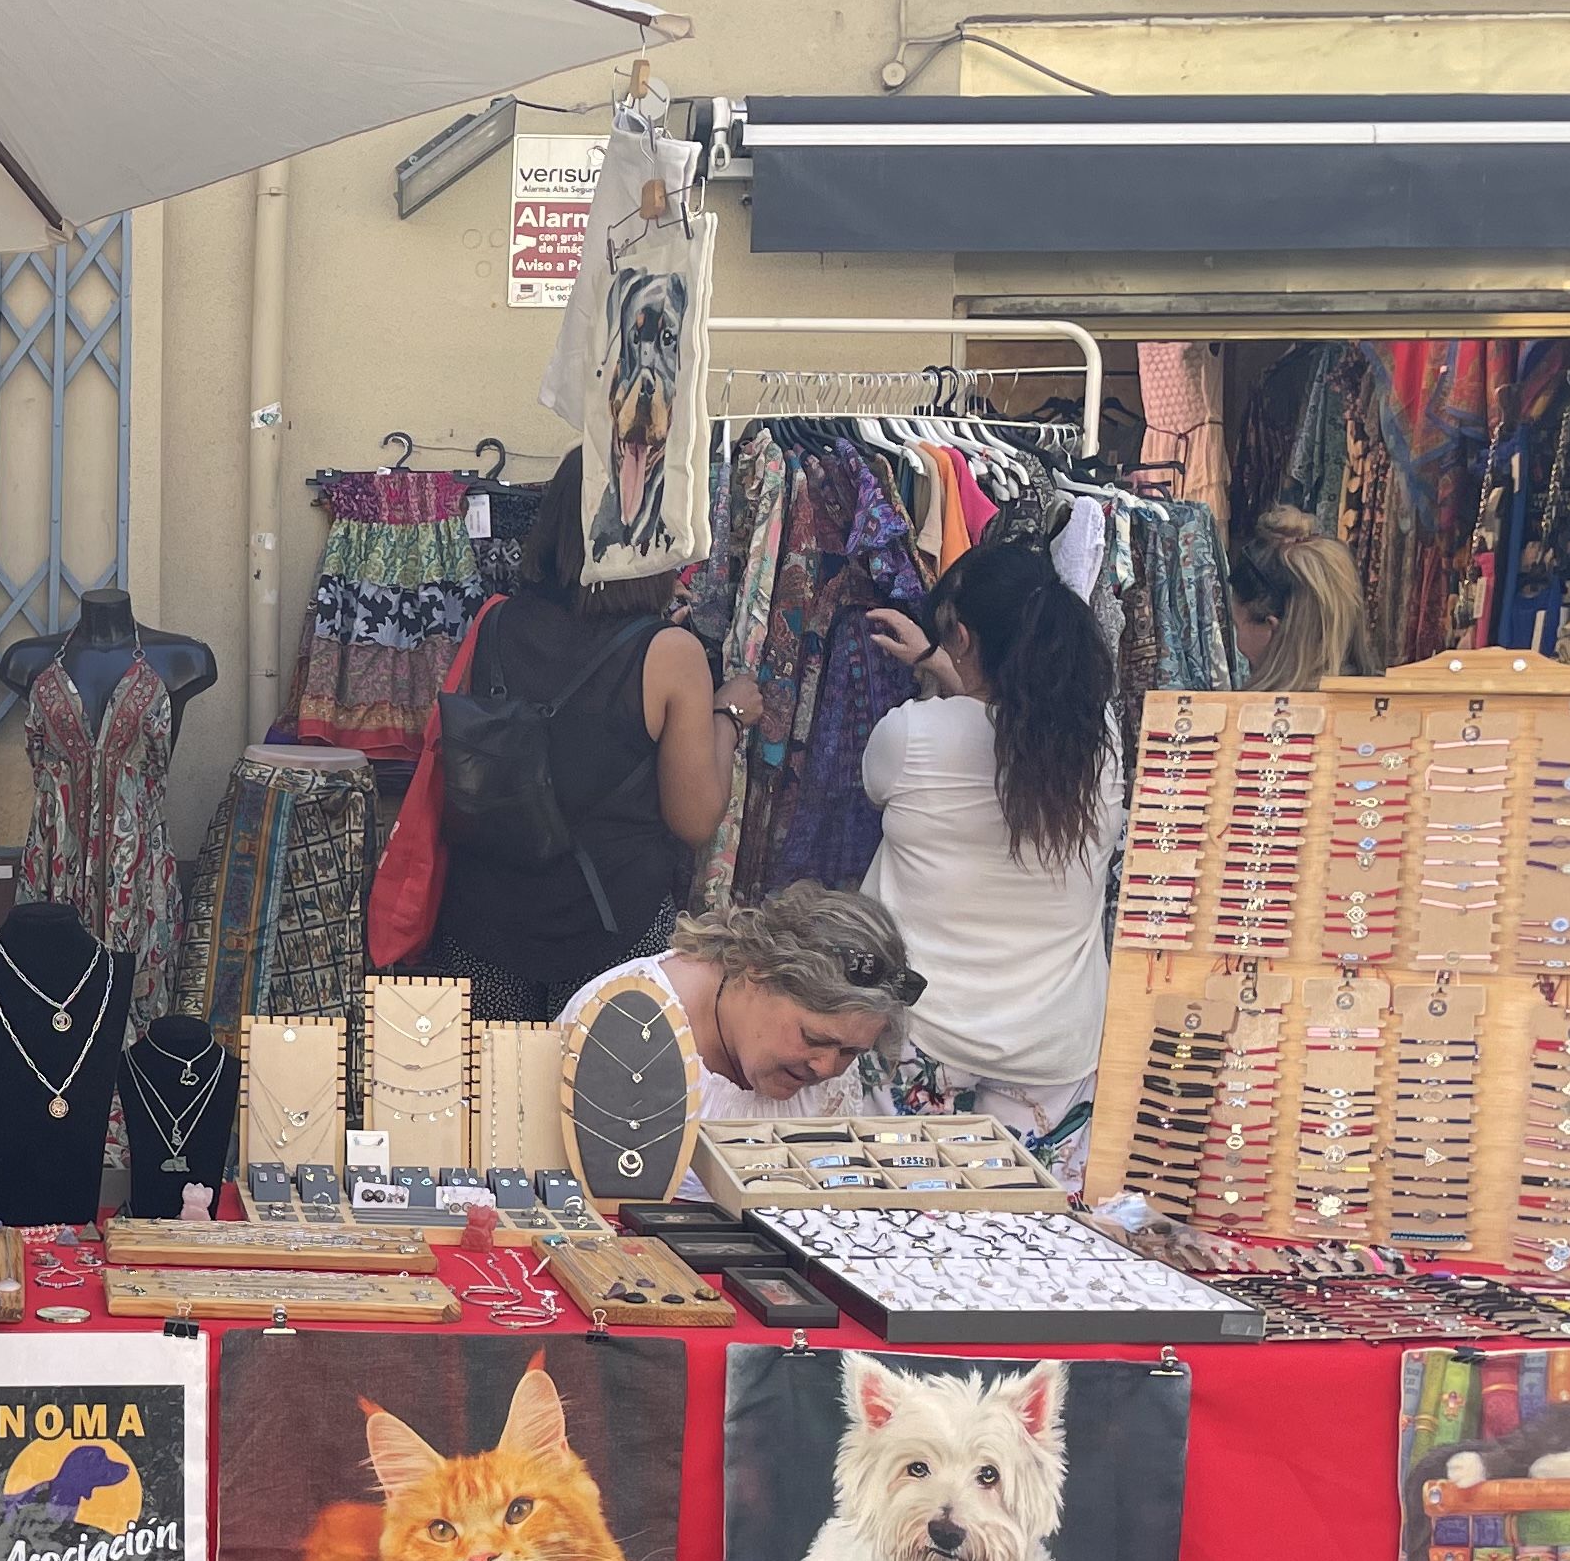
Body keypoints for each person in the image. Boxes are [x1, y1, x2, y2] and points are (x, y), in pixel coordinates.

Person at [417, 454, 760, 1018]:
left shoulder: (496, 621)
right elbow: (694, 819)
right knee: (601, 1101)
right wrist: (728, 716)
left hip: (484, 918)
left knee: (494, 1099)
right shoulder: (670, 653)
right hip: (611, 928)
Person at [860, 527, 1124, 1179]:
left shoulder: (909, 736)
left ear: (965, 640)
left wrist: (934, 674)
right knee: (1028, 1248)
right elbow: (1011, 723)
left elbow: (926, 758)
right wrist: (945, 665)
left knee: (891, 1238)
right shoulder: (1101, 742)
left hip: (922, 1038)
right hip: (1052, 1046)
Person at [559, 881, 923, 1122]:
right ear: (757, 972)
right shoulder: (623, 1020)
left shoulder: (830, 1076)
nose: (828, 1068)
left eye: (850, 1052)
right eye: (814, 1038)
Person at [1229, 504, 1375, 691]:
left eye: (1237, 625)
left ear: (1270, 629)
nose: (1237, 642)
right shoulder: (1383, 709)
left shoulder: (1252, 717)